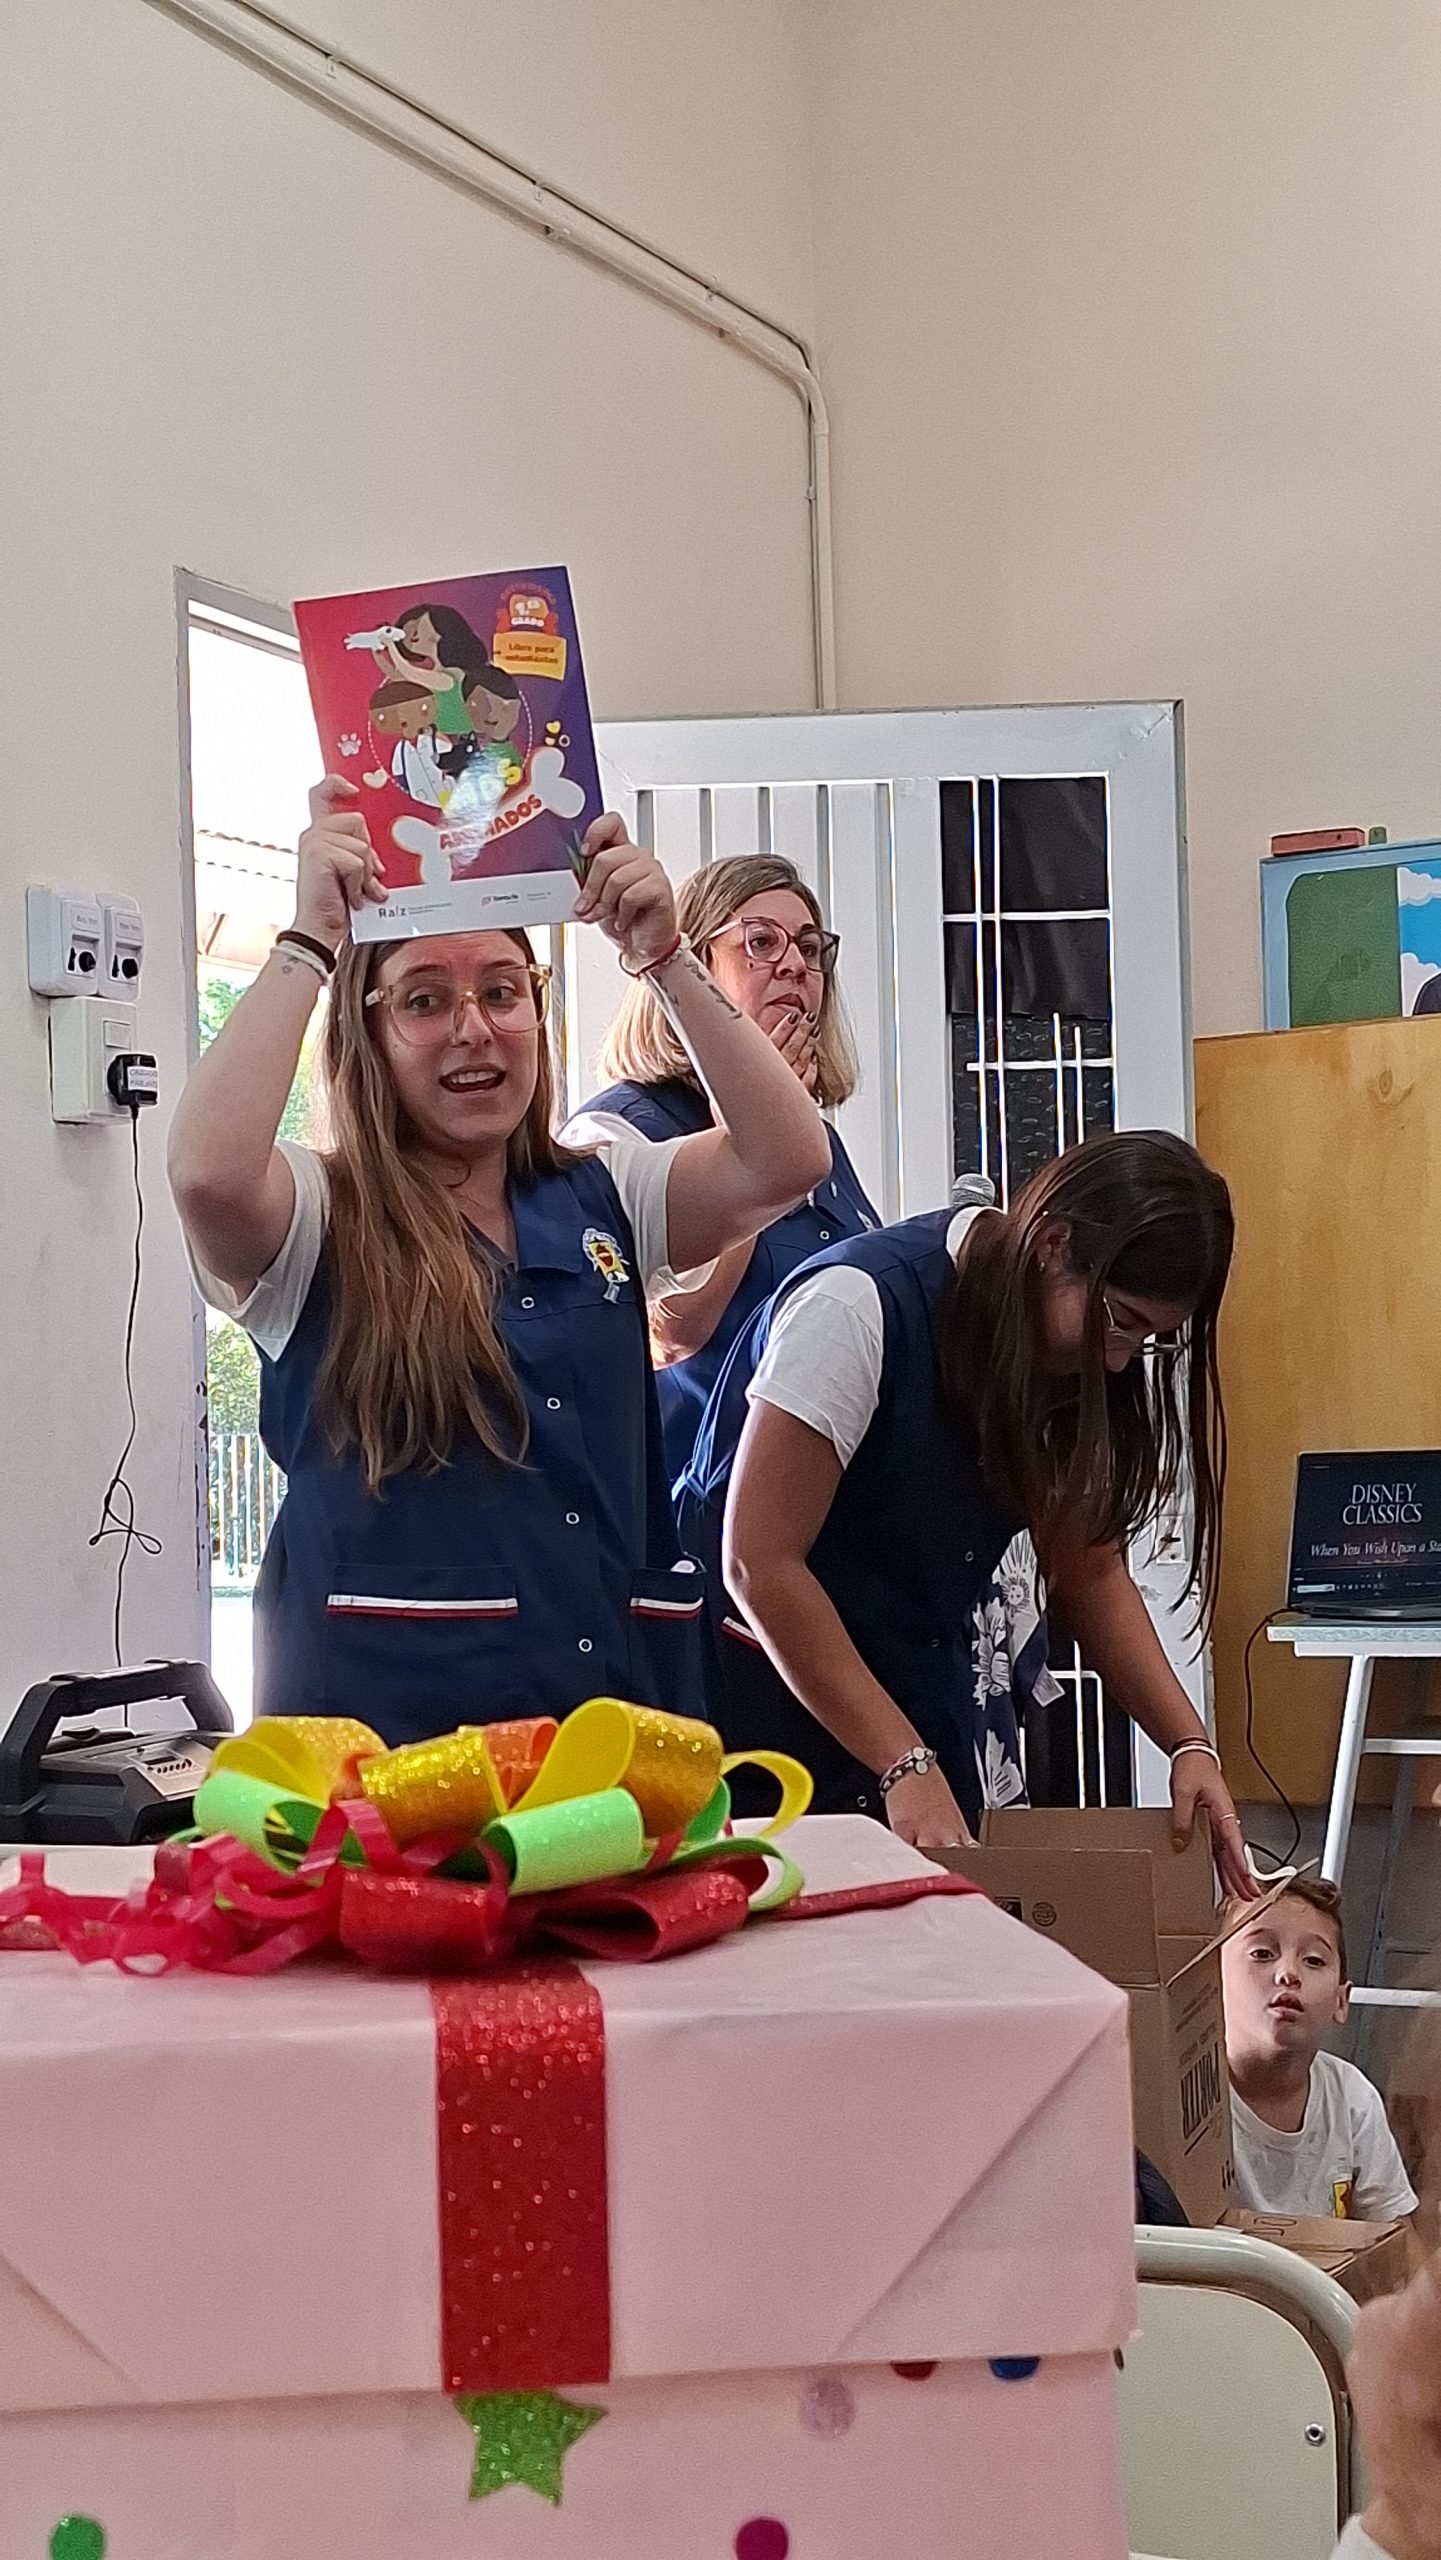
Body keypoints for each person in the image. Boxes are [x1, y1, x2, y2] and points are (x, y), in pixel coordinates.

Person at [167, 778, 831, 1745]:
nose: (473, 1027)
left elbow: (788, 1156)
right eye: (424, 1001)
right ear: (368, 1034)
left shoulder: (606, 1192)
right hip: (384, 1760)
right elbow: (207, 1174)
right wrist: (310, 941)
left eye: (502, 991)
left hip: (601, 1746)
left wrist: (664, 957)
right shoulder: (317, 1216)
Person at [679, 1129, 1256, 1890]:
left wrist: (1188, 1745)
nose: (1120, 1358)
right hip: (754, 1712)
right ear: (1053, 1243)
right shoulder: (857, 1306)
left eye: (1149, 1339)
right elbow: (759, 1563)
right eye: (1119, 1319)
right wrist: (902, 1762)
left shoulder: (1070, 1354)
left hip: (912, 1698)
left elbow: (1086, 1566)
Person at [571, 854, 878, 1488]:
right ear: (693, 967)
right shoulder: (618, 1131)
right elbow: (669, 1335)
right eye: (761, 943)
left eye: (810, 949)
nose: (795, 966)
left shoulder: (823, 1143)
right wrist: (745, 1146)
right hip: (693, 1507)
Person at [1221, 1876, 1418, 2223]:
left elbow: (1396, 2237)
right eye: (1262, 1954)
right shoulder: (1187, 2095)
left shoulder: (1351, 2098)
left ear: (1341, 2002)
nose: (1288, 1974)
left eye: (1313, 1960)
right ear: (1209, 1983)